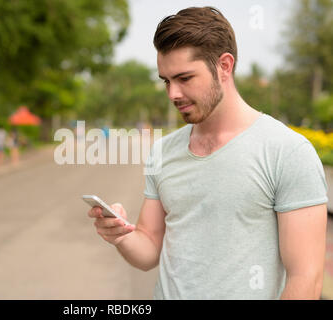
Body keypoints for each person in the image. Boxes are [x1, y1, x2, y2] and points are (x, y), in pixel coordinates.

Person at [87, 7, 328, 300]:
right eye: (166, 80)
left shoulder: (287, 152)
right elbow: (149, 247)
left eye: (184, 78)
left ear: (224, 66)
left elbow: (305, 278)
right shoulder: (163, 151)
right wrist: (121, 236)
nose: (172, 93)